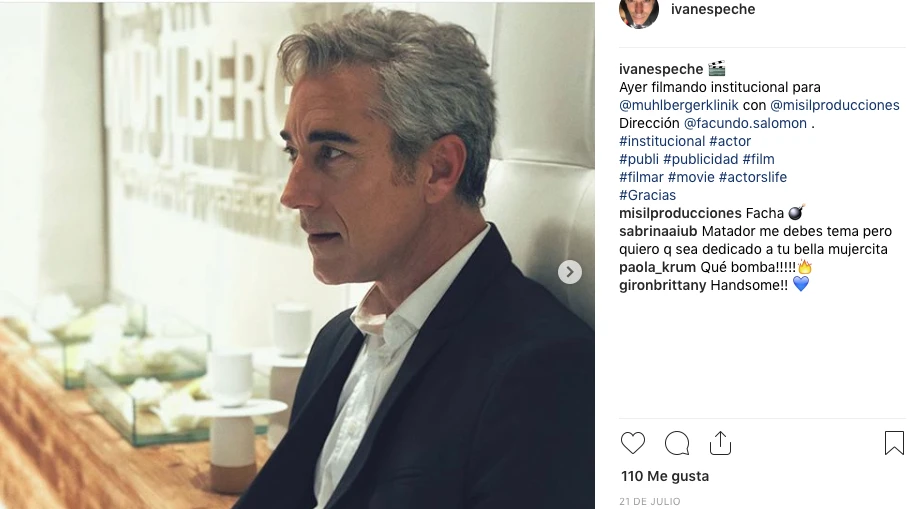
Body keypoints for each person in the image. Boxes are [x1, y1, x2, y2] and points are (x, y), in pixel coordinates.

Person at [234, 9, 593, 509]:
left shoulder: (543, 373)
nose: (292, 194)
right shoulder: (336, 341)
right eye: (294, 154)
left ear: (439, 169)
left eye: (331, 153)